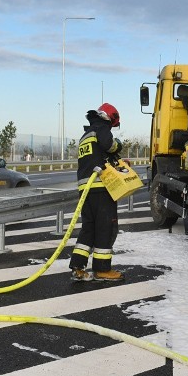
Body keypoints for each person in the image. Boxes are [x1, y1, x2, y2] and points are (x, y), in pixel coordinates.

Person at [69, 103, 124, 282]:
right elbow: (109, 145)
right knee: (105, 228)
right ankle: (102, 269)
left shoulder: (86, 135)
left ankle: (78, 266)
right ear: (110, 118)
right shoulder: (101, 128)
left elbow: (97, 155)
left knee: (88, 229)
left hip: (85, 190)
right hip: (101, 187)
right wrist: (118, 146)